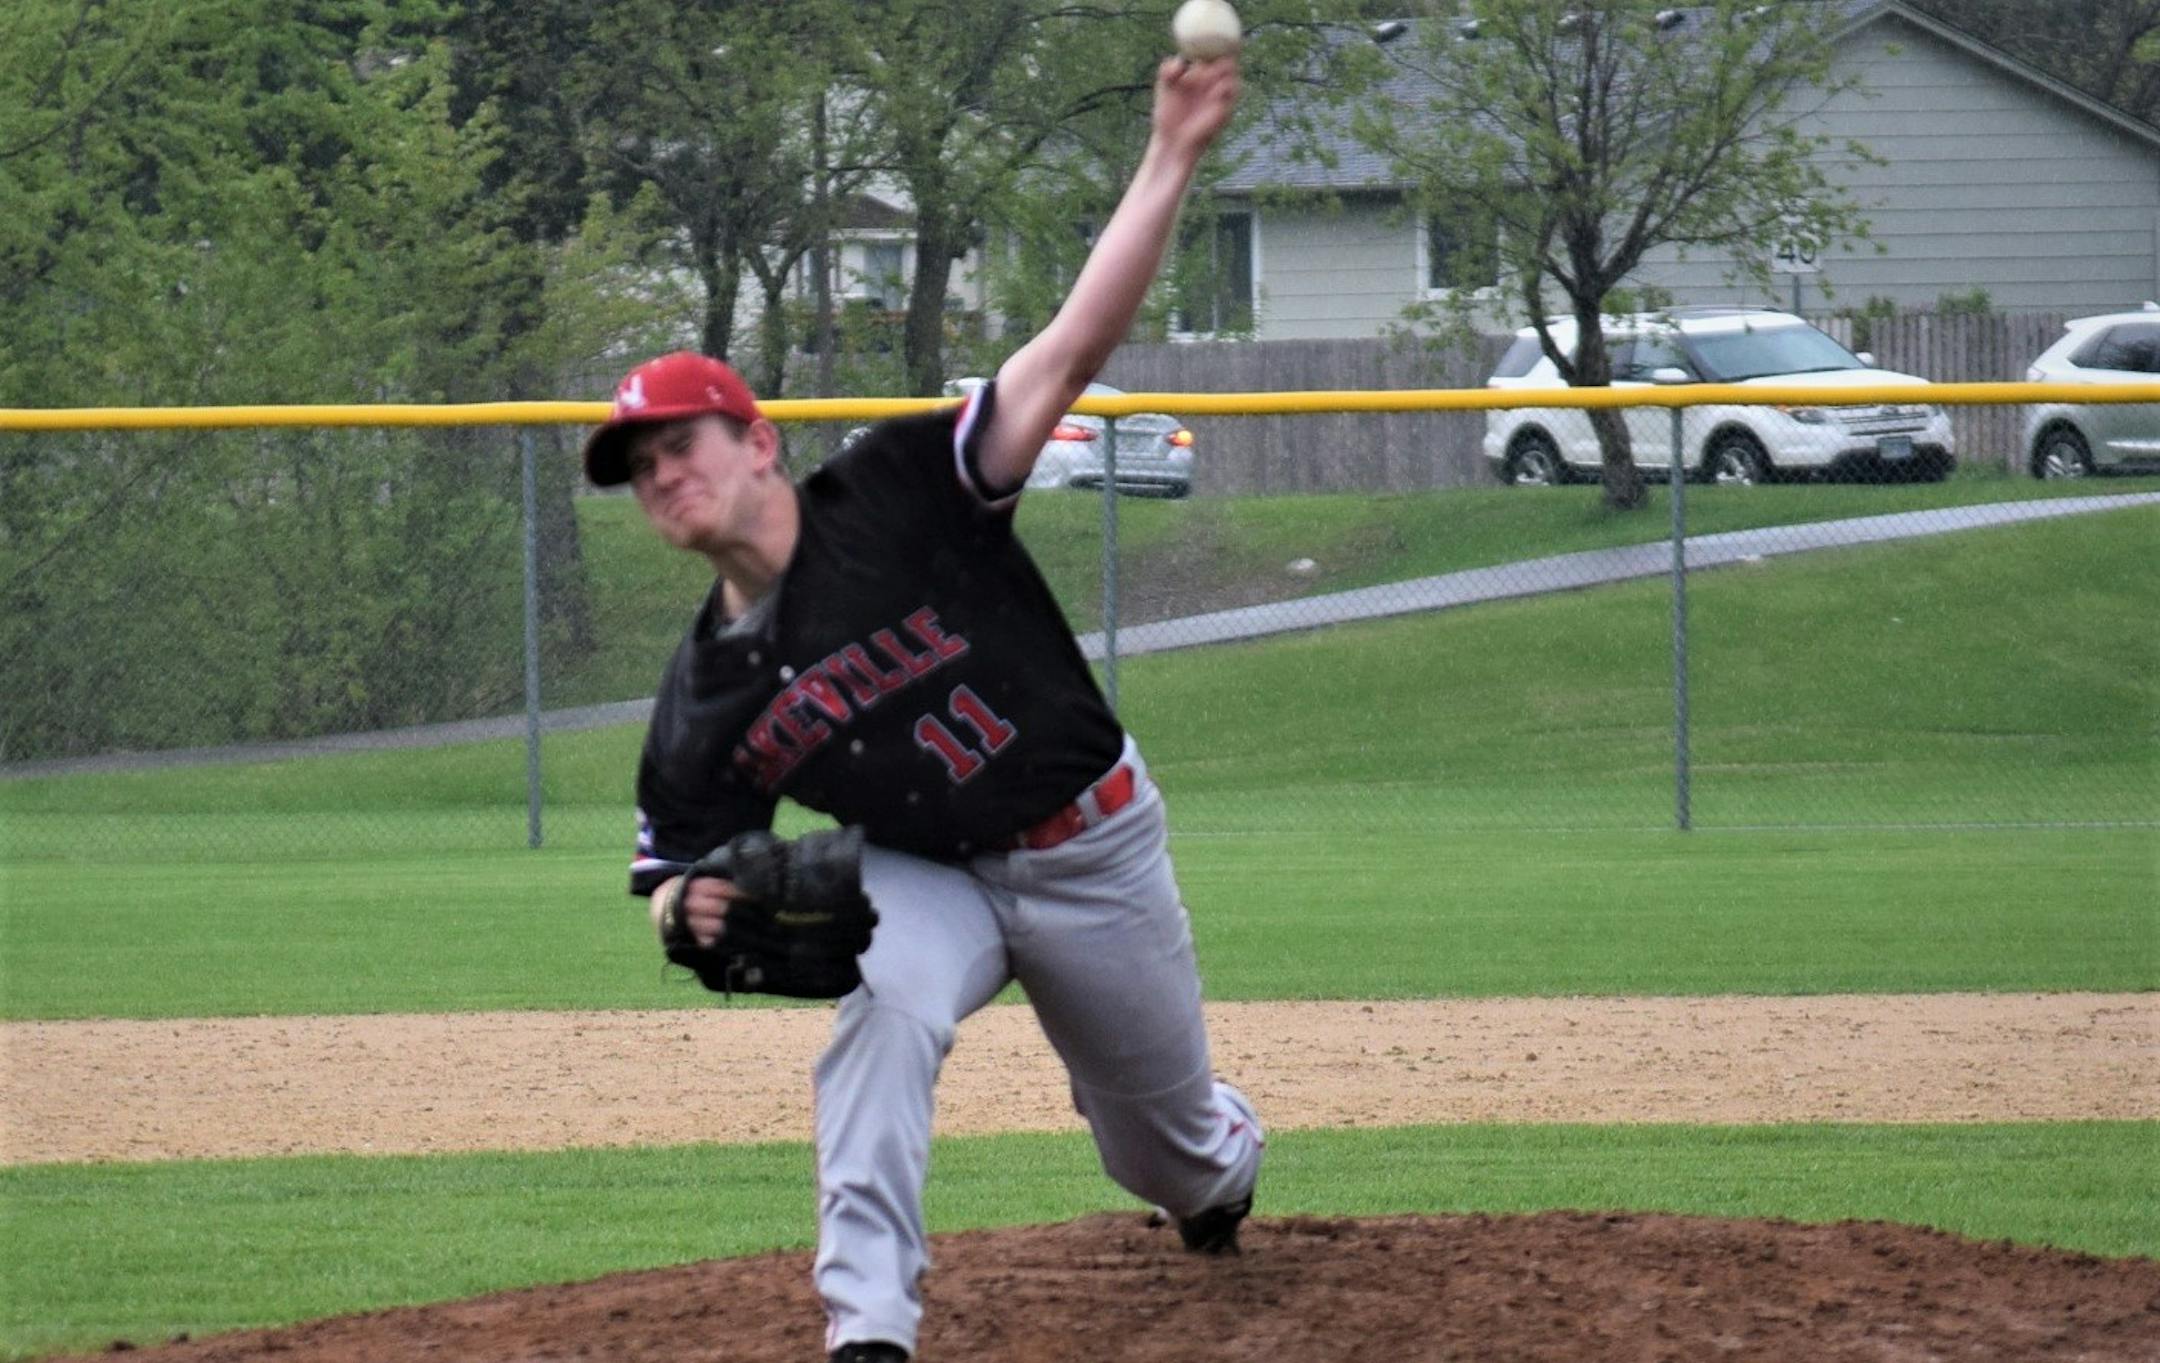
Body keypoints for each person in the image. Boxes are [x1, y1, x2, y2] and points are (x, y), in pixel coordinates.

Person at [580, 54, 1258, 1363]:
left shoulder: (898, 487)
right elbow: (671, 867)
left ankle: (1220, 1169)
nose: (662, 478)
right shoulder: (703, 692)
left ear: (757, 440)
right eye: (639, 470)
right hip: (926, 875)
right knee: (878, 1012)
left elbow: (1067, 353)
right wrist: (695, 909)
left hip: (1092, 848)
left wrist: (1170, 151)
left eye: (682, 447)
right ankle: (869, 1330)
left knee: (1166, 1159)